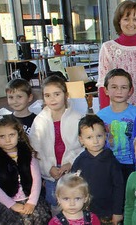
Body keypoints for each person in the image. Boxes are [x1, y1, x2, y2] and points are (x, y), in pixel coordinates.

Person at [30, 76, 84, 211]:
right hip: (51, 174)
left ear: (66, 95)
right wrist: (49, 167)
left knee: (75, 204)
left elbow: (83, 146)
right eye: (47, 95)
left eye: (57, 94)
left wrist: (70, 163)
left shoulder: (77, 118)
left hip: (72, 172)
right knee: (55, 206)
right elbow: (35, 150)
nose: (52, 99)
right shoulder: (39, 121)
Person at [98, 0, 136, 108]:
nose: (131, 24)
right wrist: (104, 115)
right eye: (126, 19)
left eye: (135, 19)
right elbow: (103, 83)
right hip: (116, 112)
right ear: (119, 21)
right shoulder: (107, 48)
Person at [71, 115, 124, 224]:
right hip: (85, 213)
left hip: (107, 214)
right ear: (81, 140)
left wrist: (118, 212)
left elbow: (119, 188)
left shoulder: (112, 161)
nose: (95, 141)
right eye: (89, 137)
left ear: (105, 136)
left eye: (99, 136)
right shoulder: (79, 161)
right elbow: (72, 187)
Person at [96, 68, 136, 183]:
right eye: (114, 87)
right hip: (107, 164)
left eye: (124, 87)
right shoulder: (100, 116)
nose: (119, 91)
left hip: (132, 165)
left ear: (130, 91)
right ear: (106, 90)